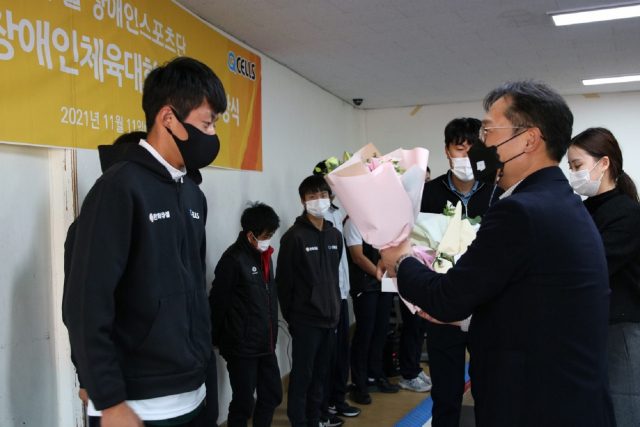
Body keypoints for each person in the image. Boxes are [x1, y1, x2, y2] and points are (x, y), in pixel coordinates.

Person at [379, 80, 616, 426]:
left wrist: (400, 259)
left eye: (488, 132)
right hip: (566, 398)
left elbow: (447, 298)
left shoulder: (521, 211)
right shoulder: (560, 201)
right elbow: (535, 304)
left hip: (533, 405)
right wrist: (467, 318)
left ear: (528, 139)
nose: (481, 145)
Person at [63, 56, 227, 427]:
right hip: (138, 403)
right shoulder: (119, 189)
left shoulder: (192, 194)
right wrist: (108, 397)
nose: (213, 135)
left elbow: (193, 289)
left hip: (193, 391)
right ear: (168, 118)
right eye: (207, 123)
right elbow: (86, 303)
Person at [416, 118, 502, 426]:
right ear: (447, 150)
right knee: (446, 392)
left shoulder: (497, 193)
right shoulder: (427, 194)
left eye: (472, 149)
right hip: (443, 304)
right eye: (459, 148)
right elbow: (416, 245)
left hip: (486, 308)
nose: (465, 156)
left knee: (489, 389)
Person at [568, 128, 640, 427]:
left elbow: (592, 267)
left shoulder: (627, 213)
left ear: (604, 163)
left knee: (623, 408)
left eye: (577, 166)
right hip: (589, 327)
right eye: (569, 167)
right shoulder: (581, 211)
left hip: (620, 327)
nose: (572, 173)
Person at [276, 175, 344, 427]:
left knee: (321, 375)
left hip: (331, 318)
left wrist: (335, 308)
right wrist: (293, 318)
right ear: (303, 200)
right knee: (302, 376)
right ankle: (299, 422)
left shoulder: (335, 235)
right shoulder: (294, 237)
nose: (318, 201)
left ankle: (315, 419)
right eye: (312, 196)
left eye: (323, 195)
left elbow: (334, 276)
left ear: (331, 199)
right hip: (305, 320)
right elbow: (283, 283)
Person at [209, 202, 283, 427]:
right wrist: (216, 339)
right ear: (250, 234)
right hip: (242, 346)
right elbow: (217, 302)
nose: (269, 239)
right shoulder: (233, 260)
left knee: (272, 395)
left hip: (265, 343)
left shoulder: (265, 256)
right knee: (243, 402)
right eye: (266, 235)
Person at [312, 161, 361, 425]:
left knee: (342, 350)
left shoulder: (337, 211)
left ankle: (337, 398)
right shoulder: (315, 220)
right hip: (327, 299)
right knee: (326, 355)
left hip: (342, 294)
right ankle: (325, 403)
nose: (327, 191)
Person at [344, 216, 399, 405]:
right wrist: (380, 273)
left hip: (384, 283)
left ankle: (375, 376)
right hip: (365, 285)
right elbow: (358, 257)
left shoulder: (383, 221)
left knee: (381, 331)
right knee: (364, 333)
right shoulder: (354, 222)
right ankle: (359, 383)